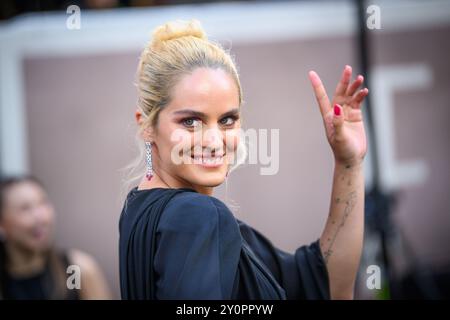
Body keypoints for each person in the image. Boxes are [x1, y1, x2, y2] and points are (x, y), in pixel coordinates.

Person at [119, 19, 369, 299]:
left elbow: (323, 285)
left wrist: (349, 163)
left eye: (227, 120)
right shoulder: (199, 216)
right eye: (190, 121)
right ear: (147, 126)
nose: (214, 141)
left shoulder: (138, 207)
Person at [0, 176, 111, 299]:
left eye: (43, 203)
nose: (41, 217)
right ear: (2, 224)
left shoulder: (76, 270)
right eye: (25, 208)